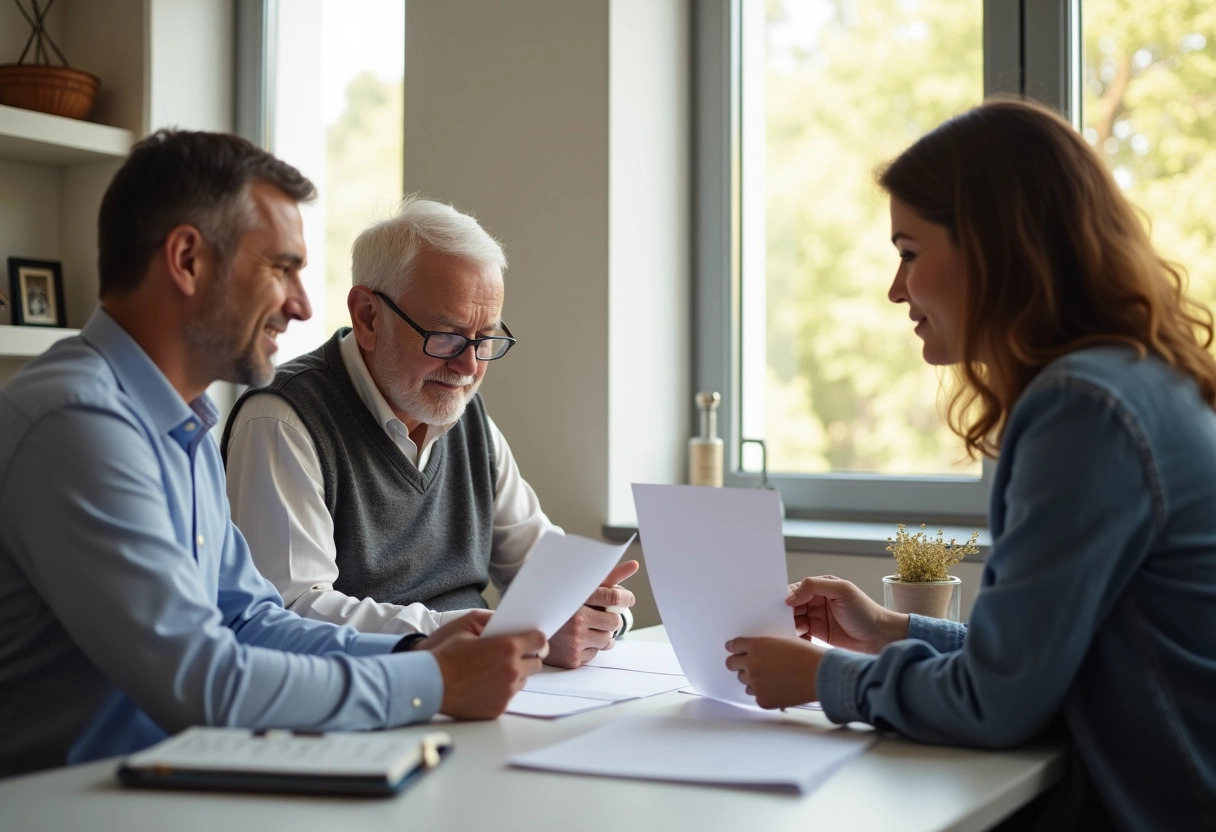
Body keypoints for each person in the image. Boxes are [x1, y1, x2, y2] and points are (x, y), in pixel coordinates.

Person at [724, 97, 1216, 830]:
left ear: (995, 247)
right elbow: (1041, 664)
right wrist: (892, 630)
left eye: (910, 252)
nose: (898, 290)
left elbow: (999, 703)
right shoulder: (1138, 380)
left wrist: (828, 678)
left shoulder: (1083, 408)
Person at [0, 130, 546, 779]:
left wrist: (417, 647)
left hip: (165, 785)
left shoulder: (180, 422)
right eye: (280, 267)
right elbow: (204, 681)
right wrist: (431, 681)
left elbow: (248, 617)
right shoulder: (80, 423)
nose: (302, 304)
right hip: (71, 802)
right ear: (187, 259)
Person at [221, 197, 636, 669]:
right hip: (368, 695)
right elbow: (291, 610)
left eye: (486, 339)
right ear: (368, 316)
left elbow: (542, 566)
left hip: (479, 686)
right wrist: (491, 633)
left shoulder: (467, 417)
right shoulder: (283, 420)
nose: (469, 366)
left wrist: (598, 611)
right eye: (447, 336)